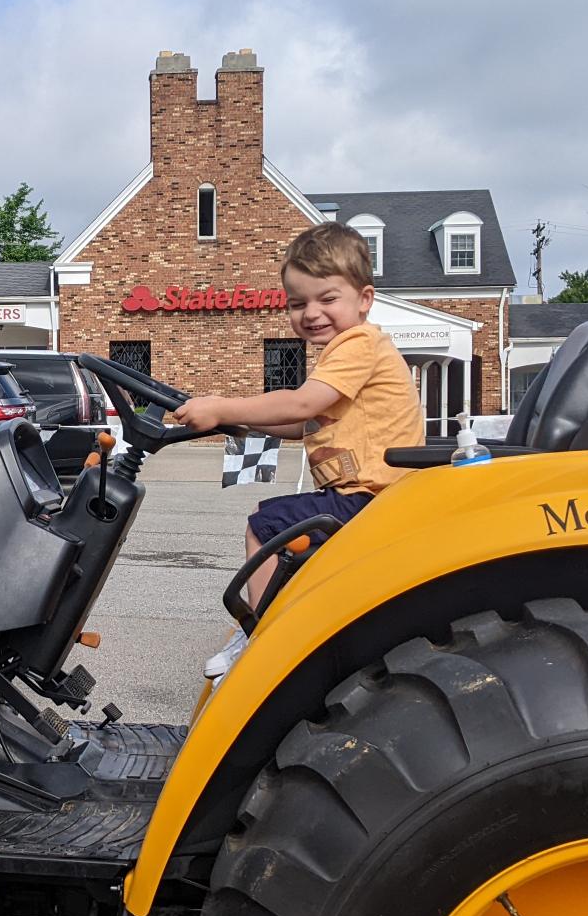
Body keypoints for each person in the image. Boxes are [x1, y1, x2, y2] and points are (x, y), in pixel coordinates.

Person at [169, 222, 426, 678]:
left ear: (364, 299)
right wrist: (238, 421)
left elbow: (301, 401)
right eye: (297, 303)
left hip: (367, 498)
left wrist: (220, 404)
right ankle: (275, 627)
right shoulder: (347, 351)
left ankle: (265, 638)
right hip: (364, 497)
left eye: (327, 299)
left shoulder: (358, 344)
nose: (312, 313)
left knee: (265, 525)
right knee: (287, 536)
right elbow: (304, 420)